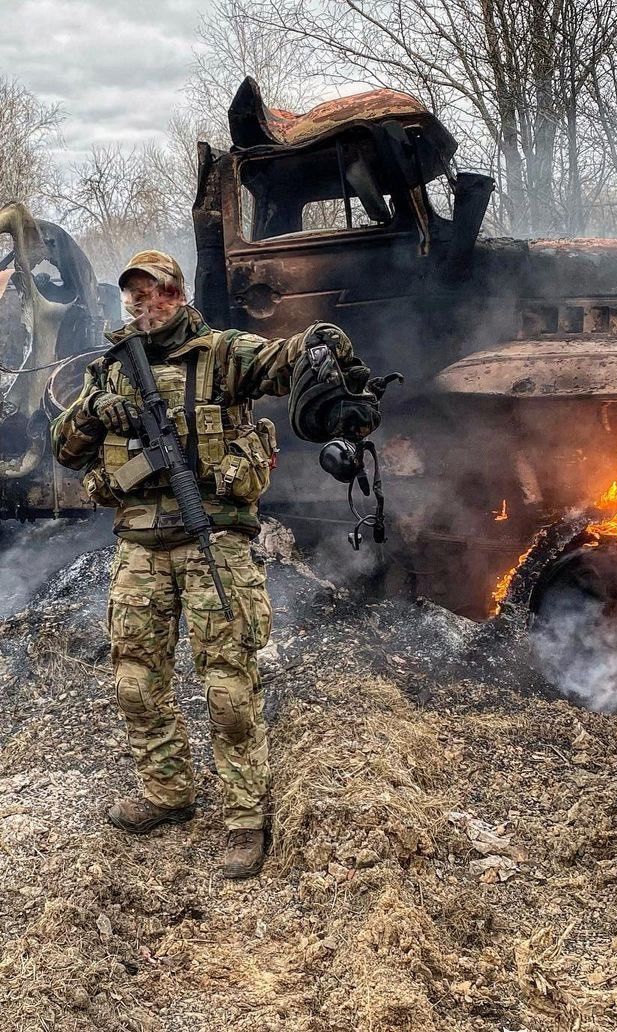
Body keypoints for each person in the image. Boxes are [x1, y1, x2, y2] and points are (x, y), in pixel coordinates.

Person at [49, 250, 375, 879]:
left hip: (213, 542)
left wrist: (316, 343)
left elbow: (279, 363)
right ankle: (168, 792)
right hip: (141, 544)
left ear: (177, 295)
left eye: (154, 293)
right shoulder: (110, 370)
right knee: (136, 683)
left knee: (228, 688)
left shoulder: (220, 353)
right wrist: (93, 413)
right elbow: (64, 446)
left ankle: (244, 818)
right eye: (133, 296)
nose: (143, 305)